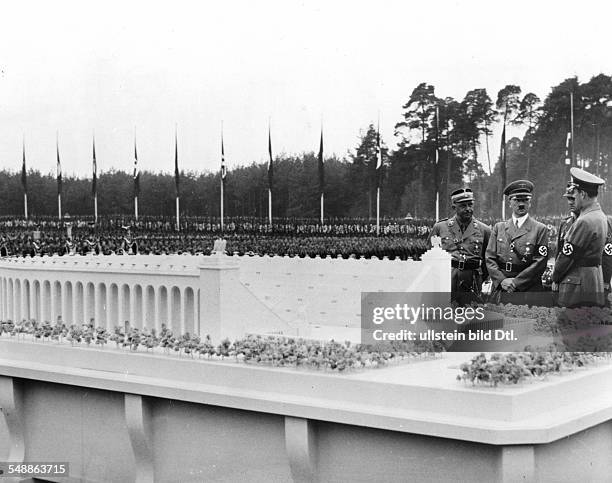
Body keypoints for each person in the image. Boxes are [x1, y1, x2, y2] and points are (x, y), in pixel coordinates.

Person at [486, 180, 549, 305]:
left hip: (528, 290)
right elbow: (489, 257)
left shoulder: (540, 229)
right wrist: (502, 280)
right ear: (509, 202)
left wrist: (516, 283)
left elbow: (539, 262)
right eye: (516, 200)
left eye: (525, 200)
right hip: (502, 289)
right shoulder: (499, 228)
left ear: (530, 202)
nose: (521, 204)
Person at [552, 167, 608, 307]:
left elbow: (566, 257)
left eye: (574, 194)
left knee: (573, 326)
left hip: (577, 286)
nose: (573, 199)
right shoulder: (600, 216)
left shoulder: (584, 220)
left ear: (582, 194)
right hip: (593, 281)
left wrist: (555, 277)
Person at [428, 188, 491, 305]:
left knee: (471, 316)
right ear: (454, 207)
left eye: (470, 205)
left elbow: (488, 259)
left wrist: (480, 278)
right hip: (447, 278)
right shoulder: (440, 228)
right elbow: (431, 256)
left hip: (472, 279)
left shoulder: (484, 230)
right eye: (463, 206)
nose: (468, 209)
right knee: (446, 314)